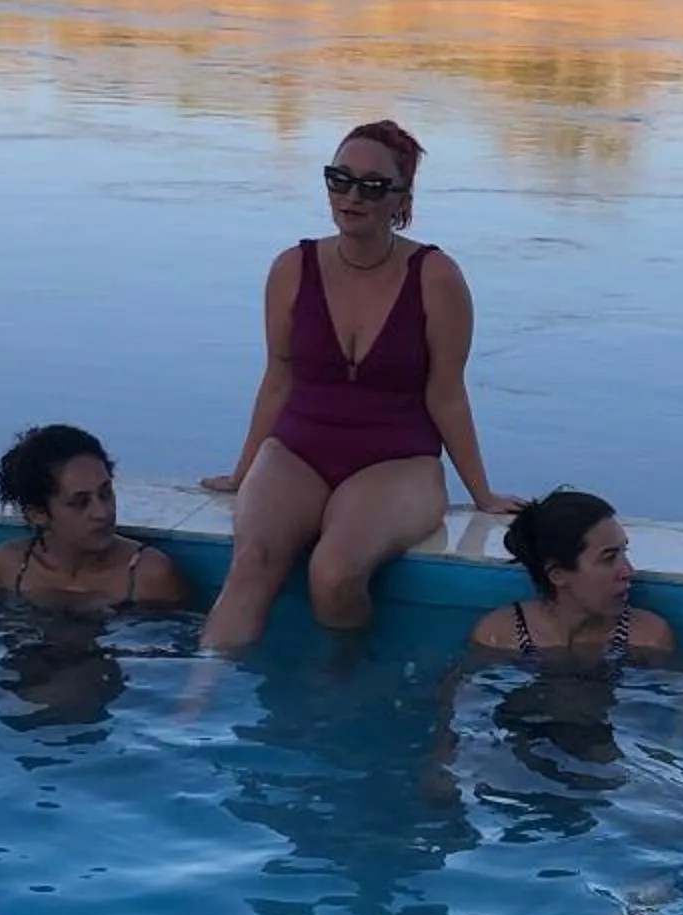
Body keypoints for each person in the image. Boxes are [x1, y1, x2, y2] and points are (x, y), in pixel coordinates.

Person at [199, 120, 514, 650]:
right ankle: (195, 694)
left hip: (398, 461)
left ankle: (341, 686)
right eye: (339, 179)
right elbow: (278, 380)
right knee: (252, 561)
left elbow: (447, 394)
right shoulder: (292, 268)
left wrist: (482, 493)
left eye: (372, 186)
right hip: (297, 451)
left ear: (402, 198)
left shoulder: (435, 277)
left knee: (334, 574)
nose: (351, 196)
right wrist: (241, 470)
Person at [0, 425, 187, 611]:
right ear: (38, 514)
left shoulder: (147, 575)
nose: (102, 513)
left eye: (106, 493)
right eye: (80, 503)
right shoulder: (9, 566)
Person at [467, 489, 677, 670]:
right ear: (557, 574)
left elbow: (679, 701)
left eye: (624, 552)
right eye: (609, 558)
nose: (628, 571)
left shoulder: (648, 638)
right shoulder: (498, 636)